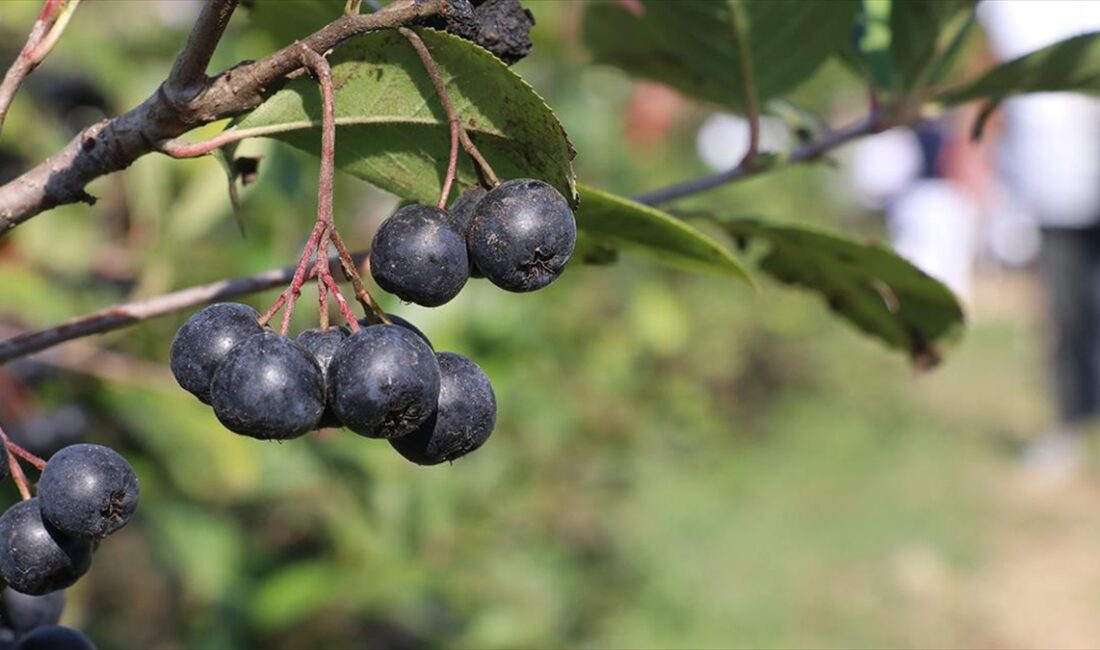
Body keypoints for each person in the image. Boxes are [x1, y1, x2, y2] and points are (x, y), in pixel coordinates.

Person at [979, 0, 1100, 478]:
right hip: (1052, 183)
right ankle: (1070, 423)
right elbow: (988, 77)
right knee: (1065, 312)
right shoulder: (1009, 9)